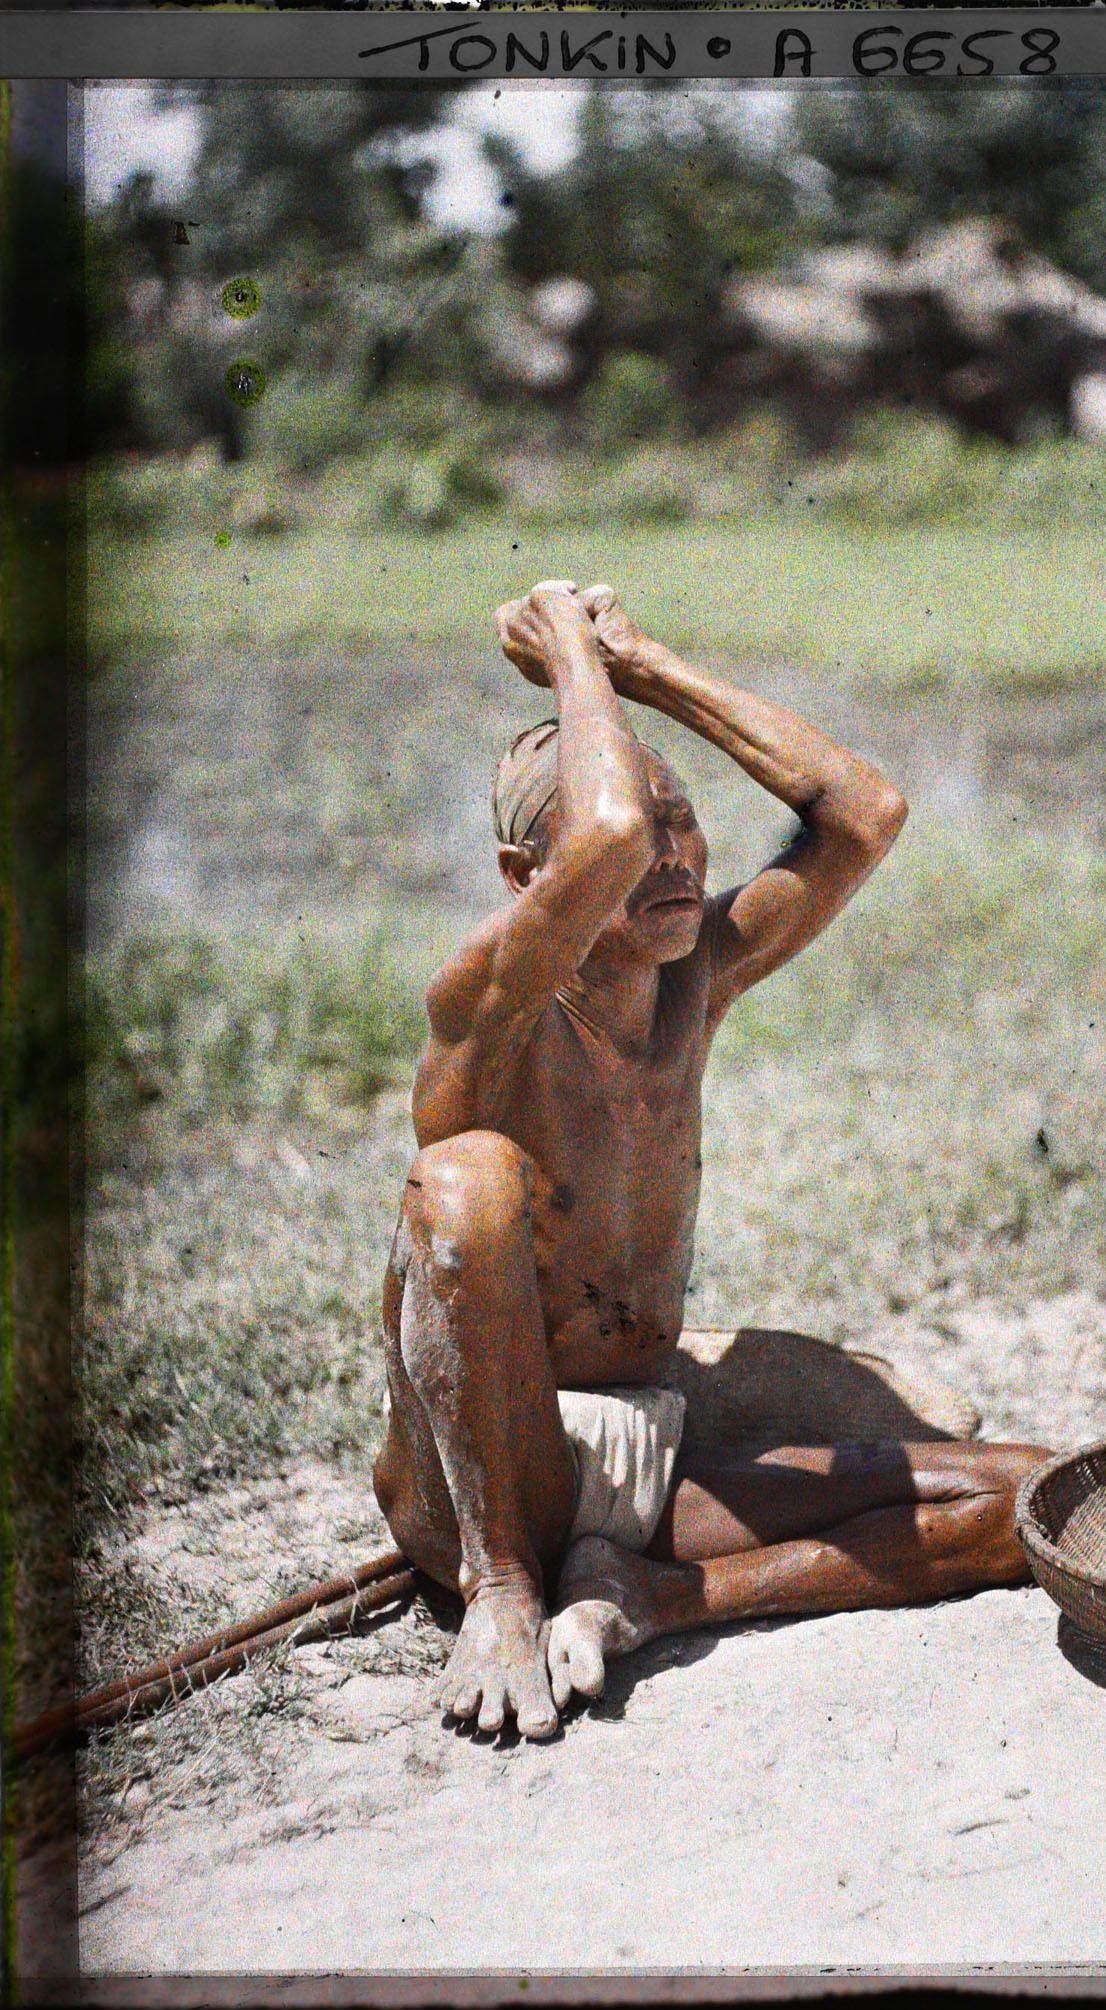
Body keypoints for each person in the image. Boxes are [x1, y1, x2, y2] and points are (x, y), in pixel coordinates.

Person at [374, 579, 1047, 1739]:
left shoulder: (695, 976)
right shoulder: (484, 1011)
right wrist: (565, 646)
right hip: (493, 1468)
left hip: (643, 1441)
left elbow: (864, 811)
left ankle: (652, 1598)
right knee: (466, 1176)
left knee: (1022, 1496)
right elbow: (610, 832)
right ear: (523, 880)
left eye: (685, 820)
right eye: (634, 836)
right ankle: (505, 1587)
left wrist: (642, 663)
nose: (669, 855)